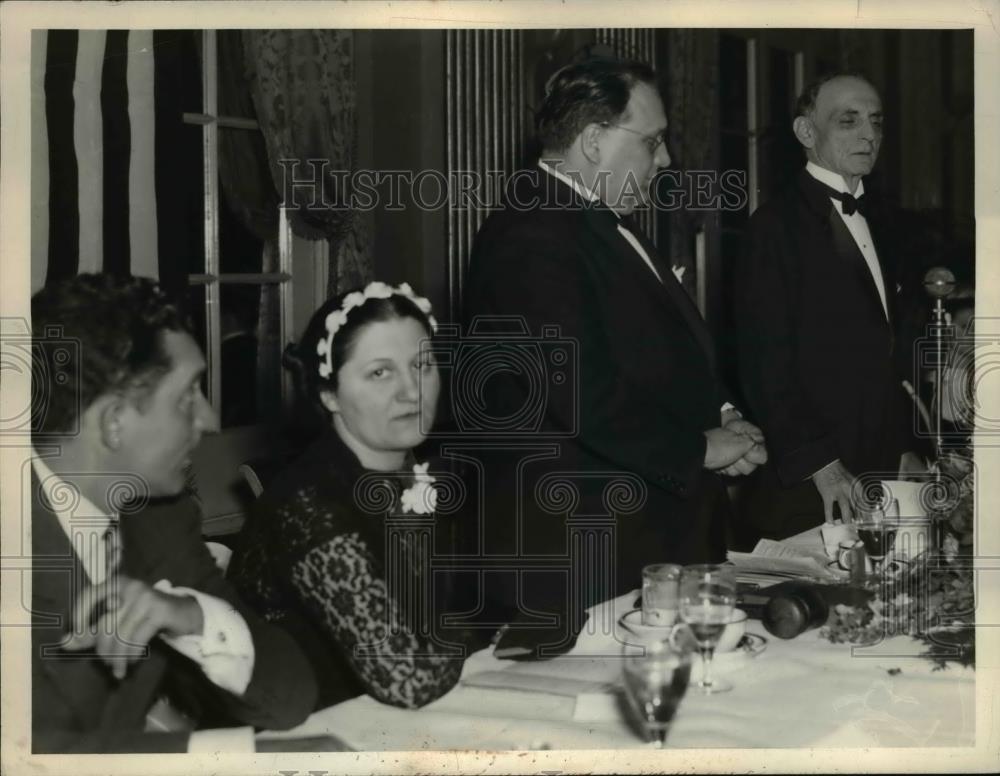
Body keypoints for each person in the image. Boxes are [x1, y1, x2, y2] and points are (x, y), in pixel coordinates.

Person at [463, 58, 766, 638]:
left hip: (640, 540)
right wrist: (698, 450)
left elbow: (655, 355)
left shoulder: (595, 221)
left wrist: (722, 417)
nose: (668, 158)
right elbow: (576, 391)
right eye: (652, 141)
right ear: (595, 142)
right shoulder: (530, 233)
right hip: (584, 557)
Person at [29, 273, 317, 753]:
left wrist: (194, 618)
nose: (210, 420)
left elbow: (291, 696)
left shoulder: (158, 518)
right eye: (187, 396)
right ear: (114, 423)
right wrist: (227, 757)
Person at [228, 282, 467, 710]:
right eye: (380, 372)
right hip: (296, 738)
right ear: (329, 395)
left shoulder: (422, 472)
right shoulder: (308, 504)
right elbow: (407, 679)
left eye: (423, 365)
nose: (412, 391)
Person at [734, 73, 919, 543]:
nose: (869, 135)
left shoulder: (887, 221)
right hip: (813, 487)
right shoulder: (773, 228)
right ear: (806, 133)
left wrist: (905, 447)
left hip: (883, 477)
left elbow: (889, 350)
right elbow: (764, 364)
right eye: (849, 121)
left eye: (876, 122)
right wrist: (821, 464)